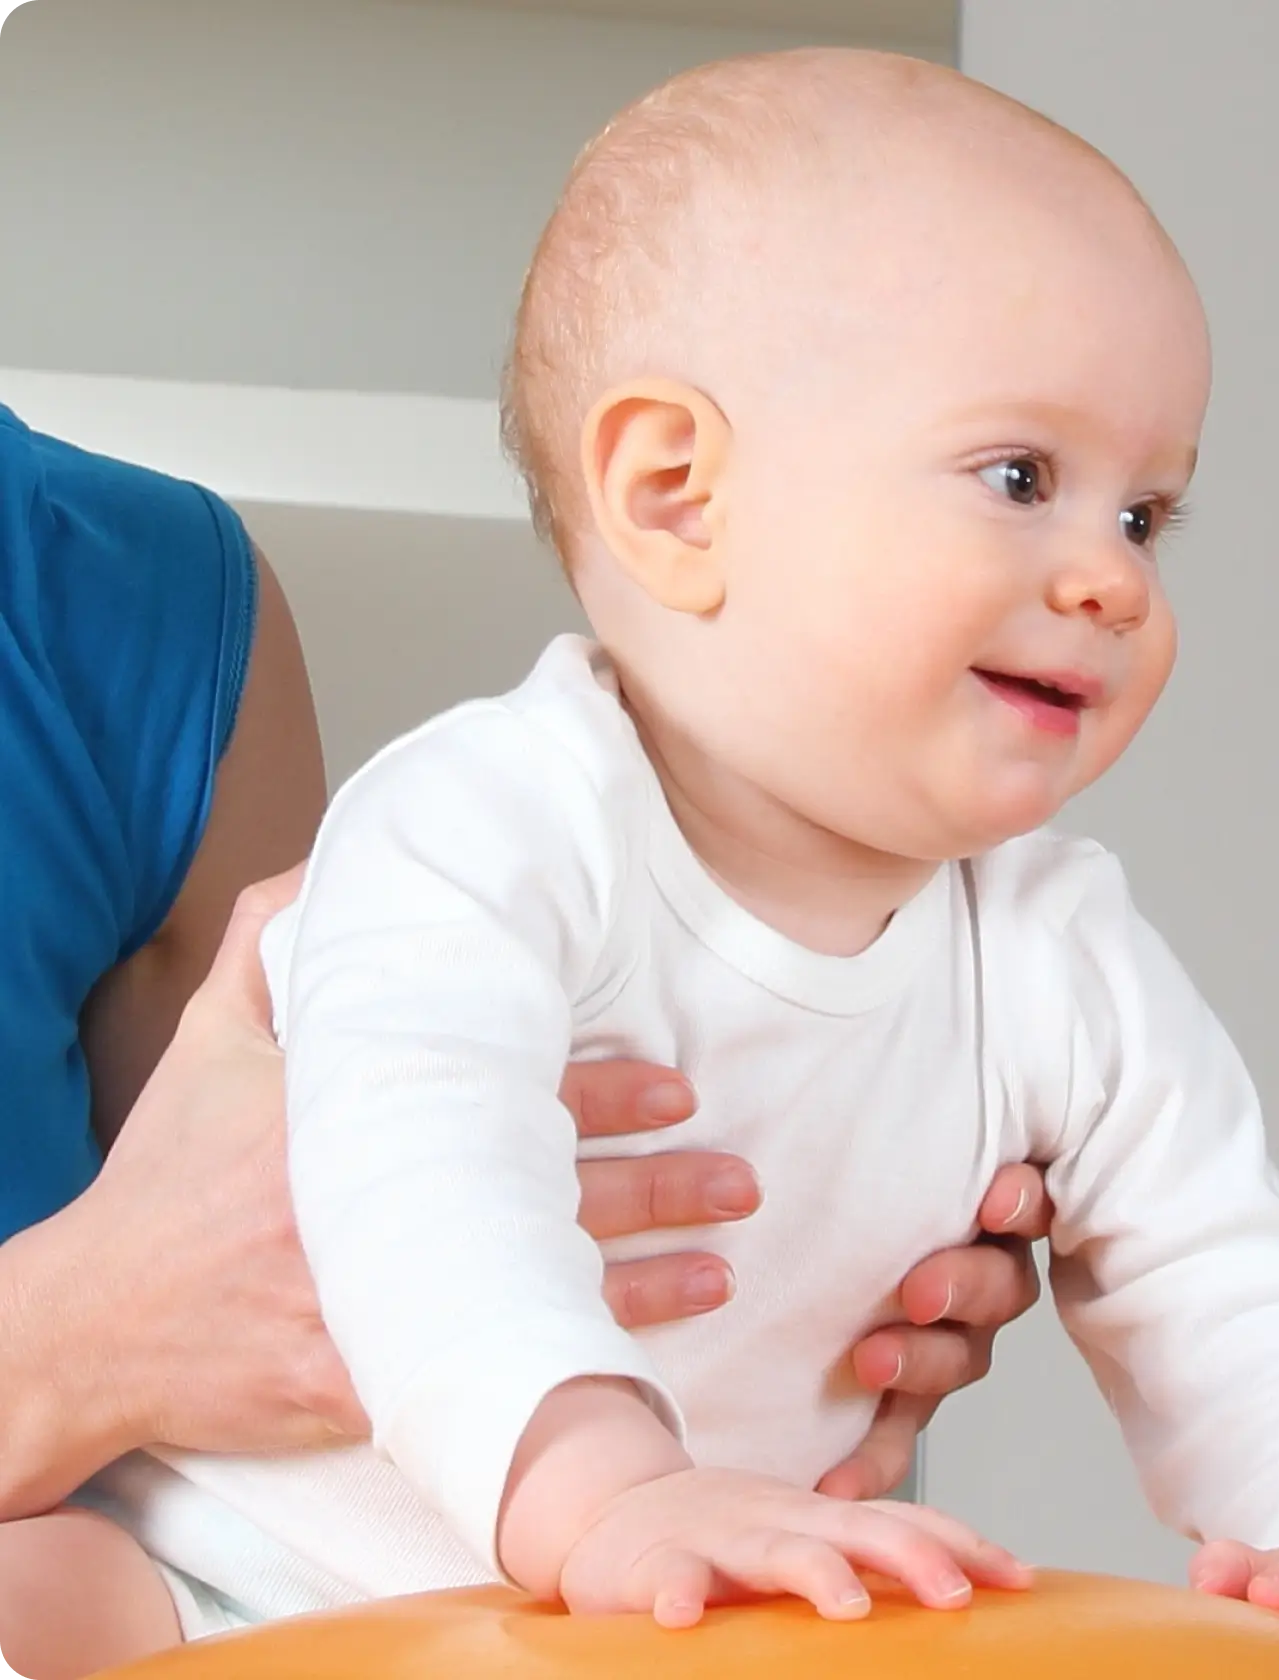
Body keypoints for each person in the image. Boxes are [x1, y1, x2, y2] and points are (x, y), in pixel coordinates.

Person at [0, 47, 1279, 1680]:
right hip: (239, 1578)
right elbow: (422, 1155)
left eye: (1146, 515)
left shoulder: (1054, 950)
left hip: (670, 1608)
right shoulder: (485, 822)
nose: (1108, 577)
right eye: (1021, 479)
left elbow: (1238, 1273)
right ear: (677, 497)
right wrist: (607, 1490)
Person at [0, 388, 1051, 1674]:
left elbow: (258, 1228)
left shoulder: (146, 600)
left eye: (1140, 514)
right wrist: (70, 1335)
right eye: (1015, 481)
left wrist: (836, 1229)